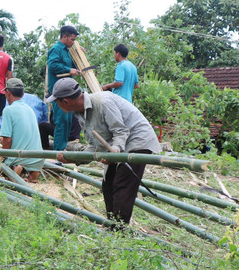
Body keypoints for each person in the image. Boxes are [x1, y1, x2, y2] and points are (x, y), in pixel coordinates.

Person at [49, 78, 161, 227]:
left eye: (56, 102)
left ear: (65, 101)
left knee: (122, 184)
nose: (56, 105)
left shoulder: (102, 101)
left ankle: (119, 231)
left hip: (137, 141)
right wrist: (71, 158)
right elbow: (95, 147)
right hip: (118, 146)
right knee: (108, 183)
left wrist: (114, 153)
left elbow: (121, 131)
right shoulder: (80, 114)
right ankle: (111, 226)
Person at [0, 78, 44, 183]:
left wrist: (1, 157)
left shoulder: (8, 110)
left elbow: (7, 140)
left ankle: (15, 169)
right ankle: (32, 174)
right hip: (38, 159)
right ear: (22, 94)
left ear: (8, 92)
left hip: (20, 158)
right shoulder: (29, 109)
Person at [46, 25, 81, 150]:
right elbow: (53, 65)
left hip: (69, 93)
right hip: (59, 94)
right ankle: (57, 152)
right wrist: (68, 70)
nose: (73, 42)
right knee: (61, 122)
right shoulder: (56, 49)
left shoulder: (68, 50)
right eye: (72, 39)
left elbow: (74, 66)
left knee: (68, 121)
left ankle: (63, 149)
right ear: (64, 37)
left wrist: (78, 54)